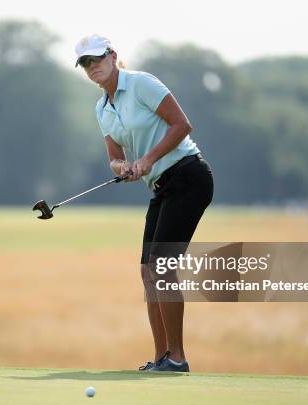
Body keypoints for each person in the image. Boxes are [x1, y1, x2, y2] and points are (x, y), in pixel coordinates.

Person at [75, 34, 214, 372]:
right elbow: (114, 156)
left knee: (162, 265)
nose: (92, 68)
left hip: (189, 176)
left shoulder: (141, 84)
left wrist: (149, 158)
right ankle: (162, 357)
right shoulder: (102, 108)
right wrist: (122, 167)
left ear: (112, 56)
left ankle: (178, 358)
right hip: (162, 185)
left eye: (97, 60)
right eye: (86, 64)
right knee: (146, 270)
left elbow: (182, 125)